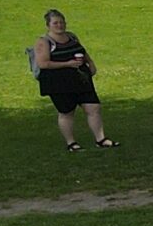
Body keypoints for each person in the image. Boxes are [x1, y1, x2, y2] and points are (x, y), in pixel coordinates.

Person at [31, 9, 113, 149]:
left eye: (61, 22)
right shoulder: (43, 42)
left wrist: (91, 64)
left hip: (80, 79)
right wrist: (67, 64)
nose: (59, 25)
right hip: (58, 82)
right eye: (55, 23)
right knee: (67, 112)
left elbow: (82, 51)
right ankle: (71, 143)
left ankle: (101, 139)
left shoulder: (72, 37)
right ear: (48, 25)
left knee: (94, 107)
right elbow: (43, 64)